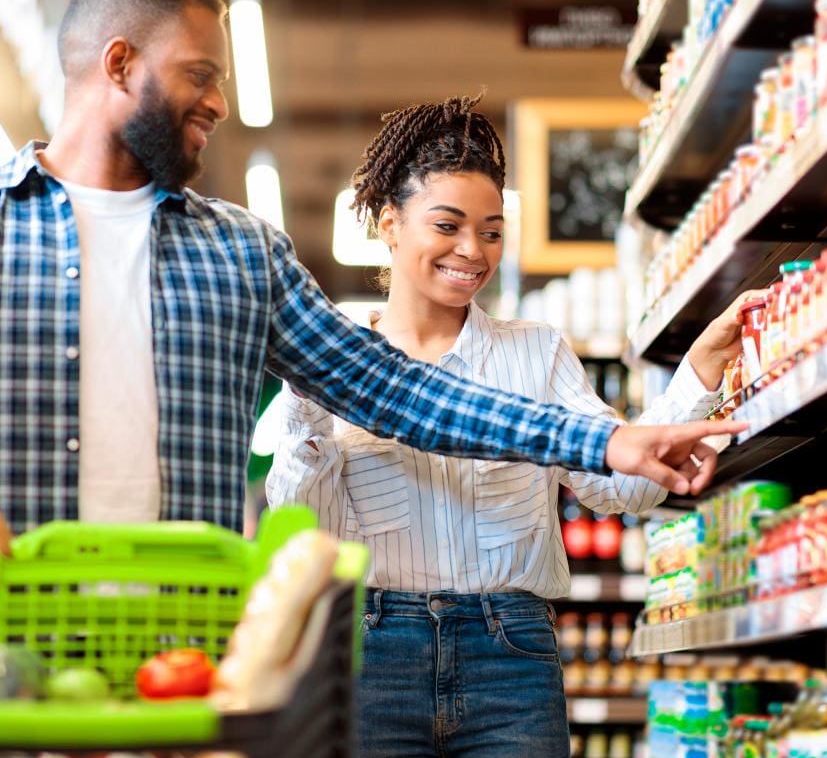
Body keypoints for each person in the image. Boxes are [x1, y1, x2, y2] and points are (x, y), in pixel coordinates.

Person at [0, 0, 743, 558]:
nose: (220, 102)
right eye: (201, 73)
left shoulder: (244, 254)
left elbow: (397, 390)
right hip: (1, 624)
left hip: (190, 644)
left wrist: (607, 438)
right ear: (120, 63)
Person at [266, 94, 756, 758]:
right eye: (448, 225)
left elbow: (619, 490)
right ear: (389, 222)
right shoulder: (340, 363)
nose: (472, 251)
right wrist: (308, 392)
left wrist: (697, 376)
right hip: (374, 652)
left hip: (512, 655)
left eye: (491, 231)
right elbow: (307, 527)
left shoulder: (536, 352)